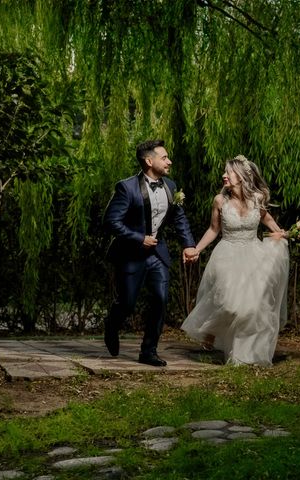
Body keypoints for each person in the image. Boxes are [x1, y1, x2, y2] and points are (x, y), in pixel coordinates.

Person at [181, 155, 289, 366]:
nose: (224, 176)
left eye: (228, 172)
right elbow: (214, 229)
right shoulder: (220, 201)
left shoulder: (258, 198)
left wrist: (280, 232)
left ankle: (242, 355)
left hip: (254, 255)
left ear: (241, 176)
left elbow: (265, 218)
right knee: (229, 304)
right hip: (227, 255)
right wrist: (197, 249)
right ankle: (211, 330)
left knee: (251, 308)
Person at [103, 139, 198, 367]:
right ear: (149, 160)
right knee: (127, 303)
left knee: (161, 299)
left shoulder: (171, 187)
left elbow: (178, 218)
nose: (169, 161)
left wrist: (188, 244)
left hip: (158, 255)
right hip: (131, 255)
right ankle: (111, 324)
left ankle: (149, 351)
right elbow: (111, 221)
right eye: (164, 157)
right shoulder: (126, 188)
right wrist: (139, 238)